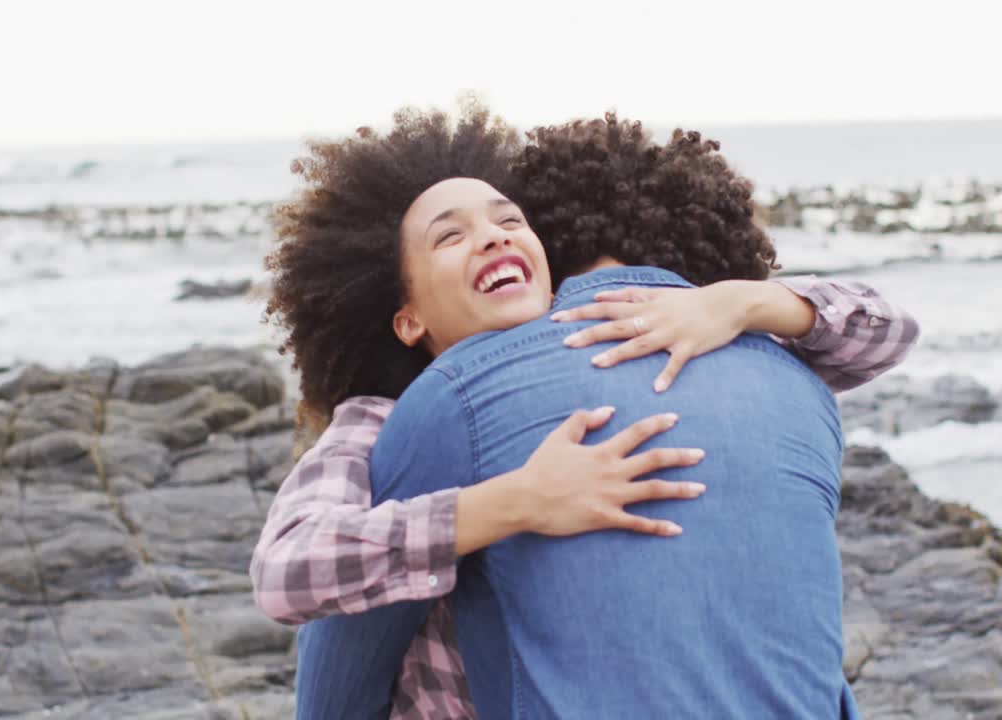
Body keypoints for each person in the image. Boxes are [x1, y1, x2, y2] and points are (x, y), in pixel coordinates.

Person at [253, 105, 917, 718]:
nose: (491, 237)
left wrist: (741, 302)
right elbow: (287, 572)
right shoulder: (379, 420)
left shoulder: (625, 347)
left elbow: (888, 331)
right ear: (407, 317)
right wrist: (518, 501)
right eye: (450, 237)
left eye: (510, 221)